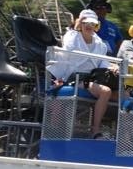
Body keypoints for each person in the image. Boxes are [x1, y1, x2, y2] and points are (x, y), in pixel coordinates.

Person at [46, 9, 118, 139]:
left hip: (92, 79)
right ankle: (95, 130)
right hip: (74, 78)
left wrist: (112, 67)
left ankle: (120, 137)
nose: (89, 26)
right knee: (105, 91)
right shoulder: (72, 36)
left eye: (93, 23)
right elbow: (69, 48)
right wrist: (76, 26)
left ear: (97, 26)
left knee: (123, 94)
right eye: (86, 23)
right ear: (81, 24)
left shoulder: (99, 43)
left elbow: (103, 64)